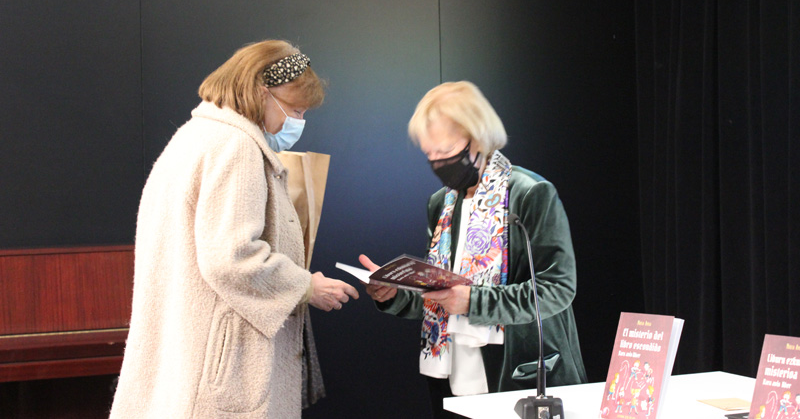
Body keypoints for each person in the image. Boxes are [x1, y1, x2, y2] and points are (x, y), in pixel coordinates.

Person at [110, 40, 358, 419]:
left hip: (186, 358)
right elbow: (231, 257)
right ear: (262, 93)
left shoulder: (193, 136)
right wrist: (306, 286)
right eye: (295, 110)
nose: (298, 122)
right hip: (219, 371)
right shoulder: (237, 146)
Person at [359, 81, 586, 418]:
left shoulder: (530, 193)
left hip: (518, 377)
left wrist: (473, 301)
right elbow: (440, 297)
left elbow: (557, 290)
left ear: (478, 137)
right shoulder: (441, 204)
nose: (438, 162)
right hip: (452, 379)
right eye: (429, 155)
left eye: (446, 150)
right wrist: (394, 295)